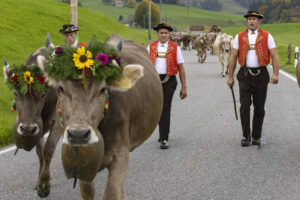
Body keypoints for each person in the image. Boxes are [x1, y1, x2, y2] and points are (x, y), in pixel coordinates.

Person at [227, 10, 279, 147]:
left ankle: (256, 136)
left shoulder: (267, 36)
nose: (251, 21)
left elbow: (274, 55)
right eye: (249, 19)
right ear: (246, 21)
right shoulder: (239, 36)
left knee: (259, 107)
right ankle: (245, 135)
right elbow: (233, 56)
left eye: (254, 19)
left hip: (261, 75)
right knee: (244, 106)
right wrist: (230, 76)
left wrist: (275, 74)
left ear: (259, 21)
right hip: (244, 74)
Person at [147, 23, 187, 149]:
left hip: (169, 81)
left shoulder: (175, 48)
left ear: (169, 34)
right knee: (157, 109)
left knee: (165, 108)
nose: (163, 35)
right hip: (154, 82)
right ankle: (162, 133)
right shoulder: (151, 47)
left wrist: (184, 87)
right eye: (161, 33)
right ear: (157, 34)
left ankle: (164, 137)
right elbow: (146, 66)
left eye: (165, 33)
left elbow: (181, 68)